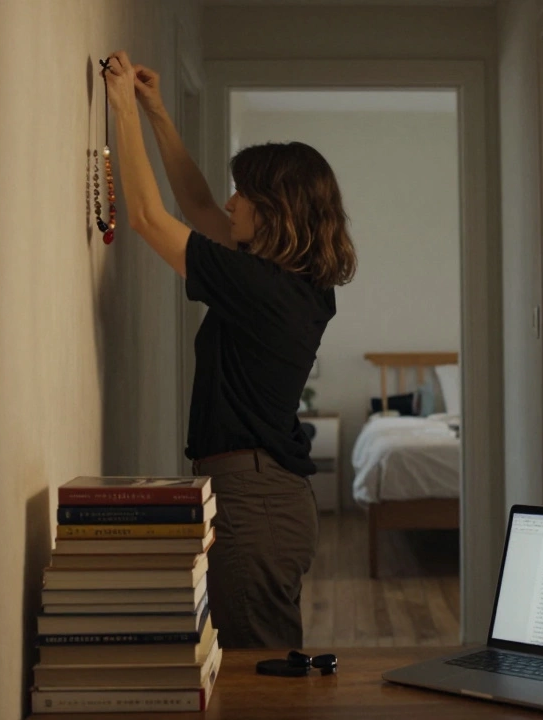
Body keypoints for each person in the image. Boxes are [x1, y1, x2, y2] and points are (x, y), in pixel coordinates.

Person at [102, 51, 356, 649]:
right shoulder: (290, 281)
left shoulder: (264, 289)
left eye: (244, 194)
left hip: (255, 501)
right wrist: (158, 113)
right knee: (260, 676)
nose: (232, 203)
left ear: (277, 211)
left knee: (258, 687)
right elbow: (198, 208)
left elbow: (145, 216)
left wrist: (121, 111)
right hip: (262, 495)